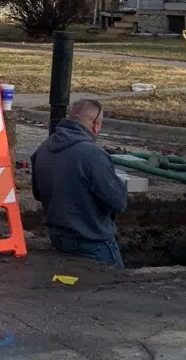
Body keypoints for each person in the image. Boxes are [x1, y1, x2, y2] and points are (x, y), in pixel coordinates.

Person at [30, 98, 129, 268]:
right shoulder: (92, 155)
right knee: (114, 289)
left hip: (58, 238)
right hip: (92, 240)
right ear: (96, 124)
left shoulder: (43, 148)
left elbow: (38, 194)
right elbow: (118, 202)